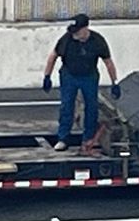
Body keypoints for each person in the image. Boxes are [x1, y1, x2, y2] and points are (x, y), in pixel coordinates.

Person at [42, 13, 121, 151]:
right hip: (69, 75)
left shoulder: (97, 41)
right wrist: (47, 76)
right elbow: (53, 56)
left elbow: (108, 62)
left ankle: (88, 138)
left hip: (89, 76)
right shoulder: (66, 40)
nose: (75, 35)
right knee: (67, 106)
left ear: (85, 29)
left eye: (77, 31)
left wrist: (114, 82)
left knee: (91, 107)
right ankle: (63, 138)